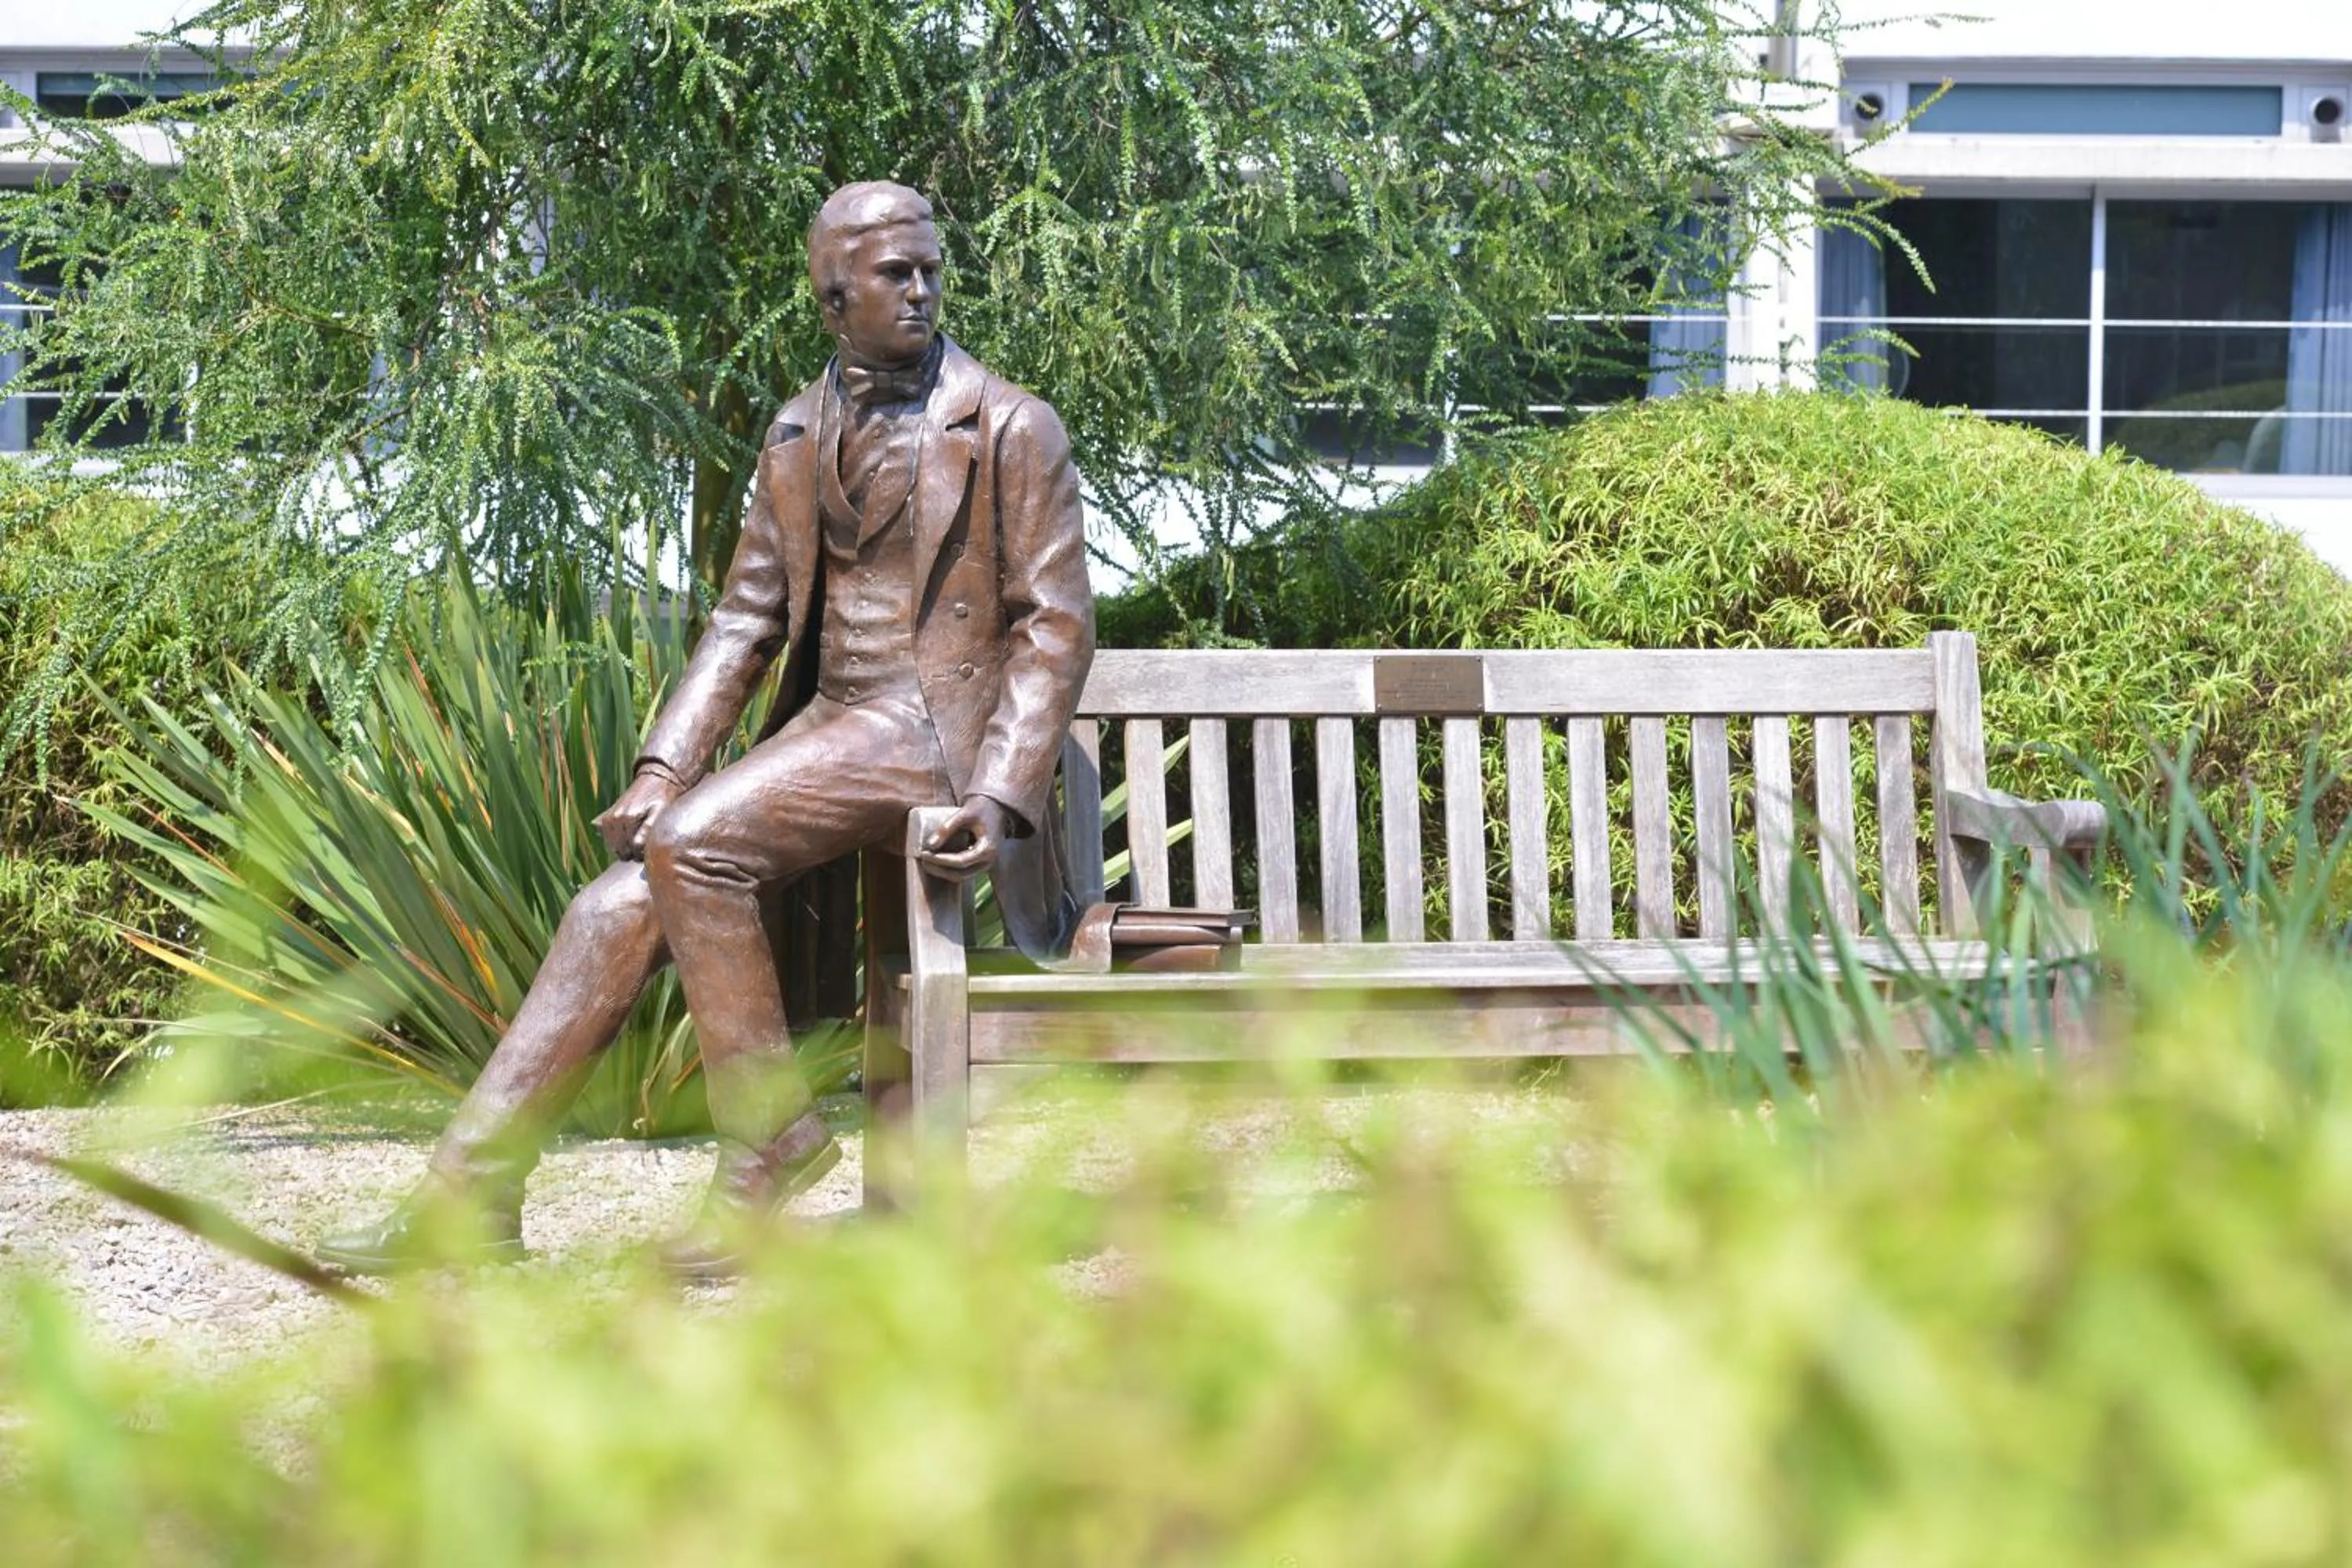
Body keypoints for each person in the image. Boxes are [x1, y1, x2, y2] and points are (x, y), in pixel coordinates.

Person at [319, 180, 1095, 1277]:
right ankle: (469, 1198)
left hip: (936, 731)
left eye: (930, 269)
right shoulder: (794, 431)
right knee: (614, 905)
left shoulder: (1010, 425)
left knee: (696, 844)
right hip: (835, 724)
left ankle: (766, 1144)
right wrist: (661, 766)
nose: (923, 289)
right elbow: (746, 620)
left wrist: (1001, 791)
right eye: (895, 274)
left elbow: (1055, 626)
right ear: (835, 298)